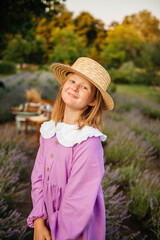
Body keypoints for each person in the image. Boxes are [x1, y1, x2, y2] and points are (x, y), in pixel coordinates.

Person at [27, 57, 114, 240]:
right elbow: (38, 178)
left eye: (84, 87)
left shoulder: (88, 142)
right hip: (46, 221)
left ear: (92, 101)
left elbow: (78, 203)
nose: (74, 87)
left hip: (73, 230)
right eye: (72, 80)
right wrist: (39, 221)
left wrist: (56, 232)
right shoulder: (50, 131)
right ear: (64, 85)